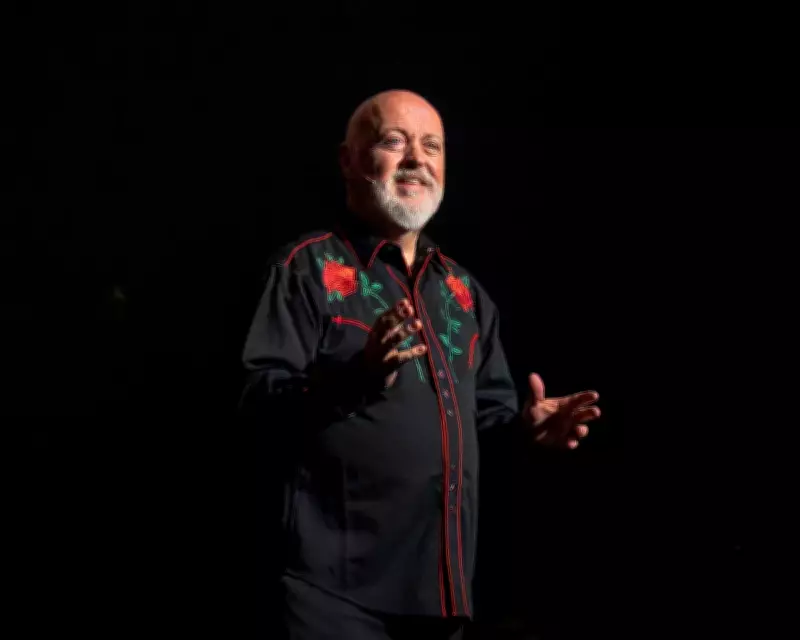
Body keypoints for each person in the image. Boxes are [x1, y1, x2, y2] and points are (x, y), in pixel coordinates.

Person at [240, 89, 600, 639]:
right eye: (394, 141)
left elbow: (488, 424)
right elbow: (257, 407)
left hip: (442, 596)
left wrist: (526, 432)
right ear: (348, 160)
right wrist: (359, 377)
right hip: (331, 595)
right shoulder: (305, 268)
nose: (416, 158)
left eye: (432, 146)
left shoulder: (463, 293)